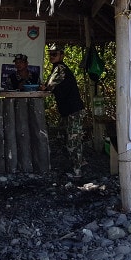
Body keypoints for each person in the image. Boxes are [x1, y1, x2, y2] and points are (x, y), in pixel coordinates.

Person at [41, 43, 85, 176]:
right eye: (50, 54)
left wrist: (44, 87)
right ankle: (79, 163)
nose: (51, 56)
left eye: (55, 54)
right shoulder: (57, 68)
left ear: (62, 55)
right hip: (68, 110)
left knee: (73, 141)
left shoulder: (60, 68)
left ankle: (78, 171)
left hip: (73, 111)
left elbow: (49, 85)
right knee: (67, 138)